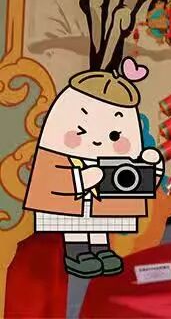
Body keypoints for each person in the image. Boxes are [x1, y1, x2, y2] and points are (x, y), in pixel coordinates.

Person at [23, 58, 162, 278]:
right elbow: (50, 182)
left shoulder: (120, 164)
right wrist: (81, 179)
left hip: (100, 206)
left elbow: (135, 186)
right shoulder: (54, 156)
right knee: (75, 225)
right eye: (81, 130)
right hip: (71, 206)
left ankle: (101, 249)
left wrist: (153, 169)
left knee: (99, 224)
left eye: (114, 135)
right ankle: (76, 251)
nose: (97, 141)